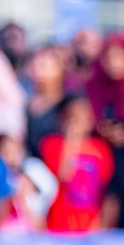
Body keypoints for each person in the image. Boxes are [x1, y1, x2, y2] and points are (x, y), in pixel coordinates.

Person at [40, 94, 113, 234]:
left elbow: (104, 190)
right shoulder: (52, 144)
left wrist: (101, 224)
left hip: (91, 226)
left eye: (85, 115)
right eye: (74, 116)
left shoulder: (101, 149)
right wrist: (72, 140)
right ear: (62, 119)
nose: (80, 121)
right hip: (58, 225)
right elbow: (63, 175)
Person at [0, 134, 58, 230]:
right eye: (5, 151)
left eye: (12, 150)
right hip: (10, 228)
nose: (9, 155)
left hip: (32, 225)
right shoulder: (1, 173)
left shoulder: (32, 167)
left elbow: (50, 189)